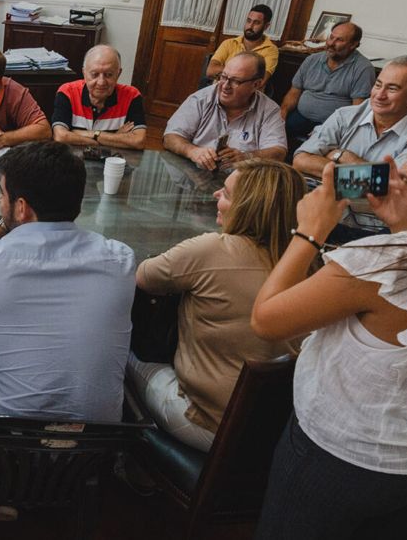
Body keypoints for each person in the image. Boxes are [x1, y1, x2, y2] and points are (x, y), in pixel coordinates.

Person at [249, 79, 407, 539]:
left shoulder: (379, 264)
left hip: (350, 457)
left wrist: (311, 230)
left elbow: (267, 319)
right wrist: (405, 225)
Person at [0, 141, 135, 419]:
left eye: (2, 194)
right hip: (94, 449)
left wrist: (1, 224)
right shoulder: (121, 261)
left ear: (22, 208)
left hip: (1, 443)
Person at [129, 159, 303, 451]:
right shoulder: (310, 263)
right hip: (274, 428)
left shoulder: (209, 250)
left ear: (247, 207)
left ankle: (133, 468)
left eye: (226, 193)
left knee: (120, 353)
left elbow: (142, 276)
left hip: (205, 422)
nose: (215, 196)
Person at [293, 56, 407, 241]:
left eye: (392, 88)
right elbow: (300, 160)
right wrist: (369, 176)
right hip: (323, 217)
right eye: (378, 84)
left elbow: (388, 188)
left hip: (376, 231)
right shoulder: (345, 115)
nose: (379, 95)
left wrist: (341, 155)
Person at [163, 52, 288, 170]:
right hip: (196, 175)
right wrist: (192, 151)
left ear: (256, 84)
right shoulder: (200, 99)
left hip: (242, 181)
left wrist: (246, 156)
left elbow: (278, 152)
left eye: (235, 81)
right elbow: (170, 137)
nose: (225, 85)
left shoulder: (269, 110)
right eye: (223, 77)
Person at [279, 21, 376, 141]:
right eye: (331, 37)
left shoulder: (363, 68)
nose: (331, 43)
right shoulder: (312, 60)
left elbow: (357, 109)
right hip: (301, 116)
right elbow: (294, 92)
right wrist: (283, 112)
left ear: (353, 45)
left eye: (339, 40)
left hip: (333, 124)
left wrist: (332, 129)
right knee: (274, 133)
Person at [50, 44, 147, 150]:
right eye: (94, 74)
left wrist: (87, 134)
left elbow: (138, 141)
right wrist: (115, 138)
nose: (101, 82)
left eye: (109, 75)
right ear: (84, 73)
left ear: (118, 74)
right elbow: (61, 136)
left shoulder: (131, 95)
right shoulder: (67, 92)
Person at [206, 4, 279, 80]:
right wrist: (245, 76)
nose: (250, 26)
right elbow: (211, 71)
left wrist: (225, 73)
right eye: (248, 21)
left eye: (256, 23)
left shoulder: (271, 50)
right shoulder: (229, 43)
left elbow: (261, 80)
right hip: (220, 89)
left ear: (266, 26)